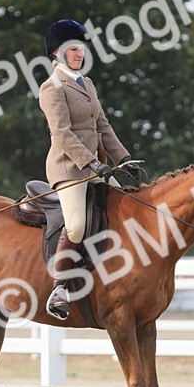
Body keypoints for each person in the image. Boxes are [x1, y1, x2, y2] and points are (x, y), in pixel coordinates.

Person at [38, 18, 144, 320]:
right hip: (69, 169)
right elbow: (62, 134)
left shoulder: (87, 84)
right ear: (56, 53)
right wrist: (92, 162)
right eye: (73, 49)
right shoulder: (52, 88)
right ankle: (59, 287)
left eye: (81, 48)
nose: (78, 53)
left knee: (127, 209)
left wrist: (123, 159)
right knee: (77, 225)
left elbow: (102, 126)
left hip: (97, 167)